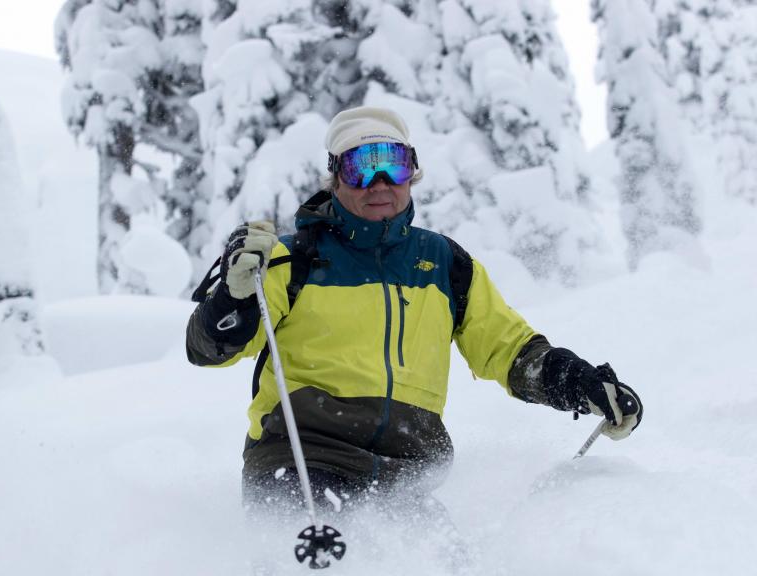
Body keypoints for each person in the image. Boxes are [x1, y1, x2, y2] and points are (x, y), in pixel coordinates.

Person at [185, 106, 643, 511]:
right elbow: (207, 349)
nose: (380, 183)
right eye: (362, 168)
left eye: (394, 165)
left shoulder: (445, 264)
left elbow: (509, 351)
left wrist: (579, 383)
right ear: (336, 176)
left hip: (404, 475)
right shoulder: (292, 259)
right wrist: (233, 297)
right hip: (302, 461)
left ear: (413, 172)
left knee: (452, 565)